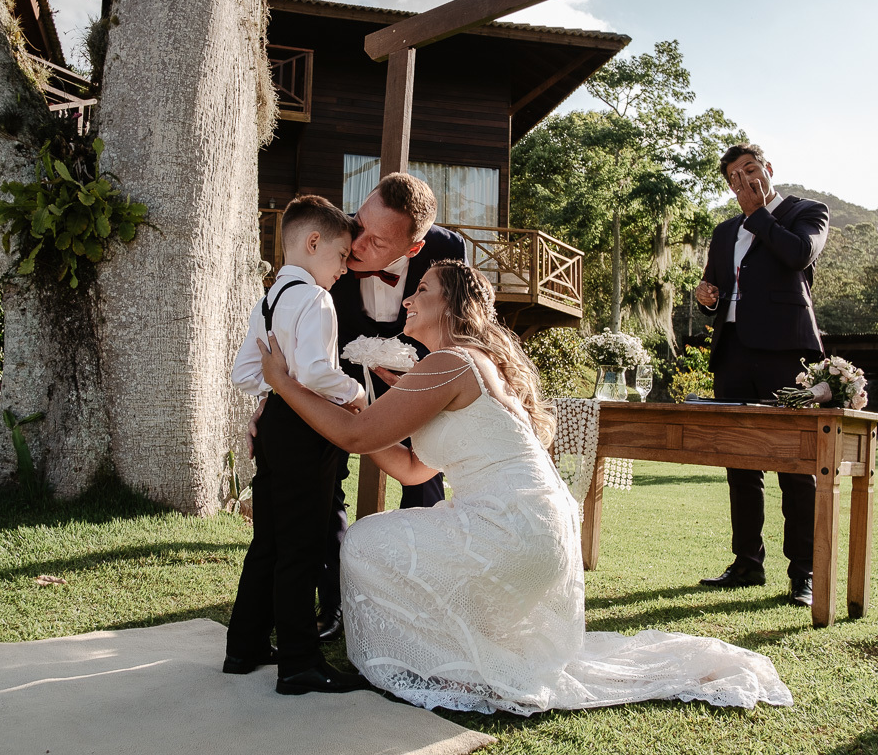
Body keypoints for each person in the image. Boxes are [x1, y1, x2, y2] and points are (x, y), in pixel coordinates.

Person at [253, 259, 793, 714]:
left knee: (368, 543)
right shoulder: (461, 364)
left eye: (423, 290)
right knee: (384, 537)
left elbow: (352, 438)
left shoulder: (448, 362)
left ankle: (446, 665)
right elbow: (413, 471)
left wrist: (284, 383)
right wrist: (367, 409)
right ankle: (456, 655)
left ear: (452, 308)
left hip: (511, 529)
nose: (410, 298)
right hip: (537, 530)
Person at [224, 195, 371, 695]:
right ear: (313, 243)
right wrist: (354, 392)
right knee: (302, 546)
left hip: (274, 427)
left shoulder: (268, 298)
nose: (344, 270)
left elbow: (245, 372)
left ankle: (243, 647)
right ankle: (299, 662)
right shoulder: (315, 298)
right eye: (341, 257)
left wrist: (273, 388)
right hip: (308, 427)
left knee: (268, 540)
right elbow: (313, 372)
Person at [315, 172, 466, 641]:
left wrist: (420, 381)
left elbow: (457, 329)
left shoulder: (448, 251)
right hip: (336, 379)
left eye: (377, 241)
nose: (356, 243)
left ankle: (418, 599)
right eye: (359, 223)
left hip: (416, 381)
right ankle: (336, 603)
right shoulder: (329, 231)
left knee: (425, 483)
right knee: (324, 483)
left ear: (413, 248)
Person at [694, 142, 830, 607]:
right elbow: (715, 285)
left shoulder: (806, 211)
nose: (743, 181)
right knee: (740, 463)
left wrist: (759, 215)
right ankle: (747, 563)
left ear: (768, 169)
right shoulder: (724, 230)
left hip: (785, 354)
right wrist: (706, 297)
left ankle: (805, 575)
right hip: (732, 353)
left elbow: (799, 256)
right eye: (733, 178)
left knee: (795, 467)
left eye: (749, 170)